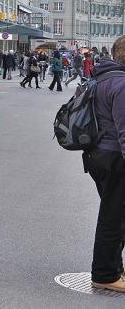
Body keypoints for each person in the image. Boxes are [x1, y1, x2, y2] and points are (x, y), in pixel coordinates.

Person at [83, 34, 125, 293]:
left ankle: (114, 268)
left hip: (97, 155)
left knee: (117, 216)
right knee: (113, 217)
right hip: (114, 157)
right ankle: (105, 274)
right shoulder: (122, 84)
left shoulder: (102, 77)